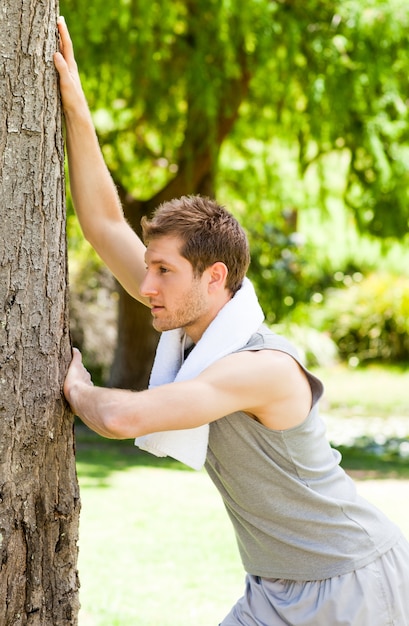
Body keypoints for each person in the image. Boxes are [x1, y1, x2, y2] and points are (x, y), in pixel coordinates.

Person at [54, 16, 409, 626]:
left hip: (352, 585)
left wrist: (75, 384)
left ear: (213, 277)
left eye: (163, 271)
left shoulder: (260, 368)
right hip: (273, 588)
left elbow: (120, 416)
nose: (145, 287)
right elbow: (103, 226)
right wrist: (74, 103)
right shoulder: (194, 325)